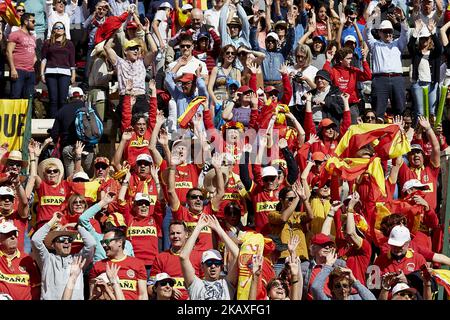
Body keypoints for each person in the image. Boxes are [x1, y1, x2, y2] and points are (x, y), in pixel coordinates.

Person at [31, 211, 95, 300]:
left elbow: (91, 244)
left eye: (69, 239)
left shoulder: (78, 259)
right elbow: (35, 240)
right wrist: (52, 221)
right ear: (53, 245)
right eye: (61, 239)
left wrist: (78, 227)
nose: (66, 242)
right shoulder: (47, 259)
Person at [180, 214, 239, 300]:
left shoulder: (227, 284)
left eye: (217, 263)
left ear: (221, 266)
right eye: (209, 263)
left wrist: (218, 228)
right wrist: (199, 227)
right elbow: (183, 256)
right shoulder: (196, 284)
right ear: (202, 266)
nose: (213, 266)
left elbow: (236, 254)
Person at [365, 9, 408, 119]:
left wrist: (402, 19)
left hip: (397, 78)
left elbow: (405, 32)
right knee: (378, 111)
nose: (388, 34)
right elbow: (366, 32)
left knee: (400, 109)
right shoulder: (375, 45)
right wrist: (372, 18)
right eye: (385, 31)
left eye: (390, 31)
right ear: (379, 32)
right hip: (380, 79)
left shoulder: (398, 43)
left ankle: (399, 133)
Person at [89, 228, 148, 300]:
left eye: (107, 242)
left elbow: (143, 295)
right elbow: (92, 296)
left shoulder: (137, 264)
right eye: (102, 242)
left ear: (120, 242)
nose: (104, 245)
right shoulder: (97, 266)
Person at [149, 220, 203, 300]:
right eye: (172, 233)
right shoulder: (161, 257)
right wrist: (168, 290)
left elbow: (206, 285)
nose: (175, 236)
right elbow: (150, 288)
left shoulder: (198, 256)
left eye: (178, 233)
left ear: (186, 235)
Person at [49, 88, 95, 176]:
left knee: (71, 180)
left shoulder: (62, 110)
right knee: (88, 180)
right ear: (82, 97)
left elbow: (54, 133)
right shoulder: (90, 108)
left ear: (69, 98)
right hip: (87, 147)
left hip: (69, 148)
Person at [408, 19, 442, 121]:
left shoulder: (434, 53)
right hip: (418, 83)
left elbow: (439, 47)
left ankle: (431, 133)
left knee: (432, 112)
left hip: (431, 84)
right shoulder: (416, 53)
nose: (424, 41)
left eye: (427, 38)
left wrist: (433, 32)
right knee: (420, 112)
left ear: (430, 39)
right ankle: (419, 135)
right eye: (422, 38)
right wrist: (416, 31)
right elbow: (410, 45)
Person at [40, 21, 76, 118]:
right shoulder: (48, 43)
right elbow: (44, 59)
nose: (59, 29)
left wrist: (73, 74)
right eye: (56, 27)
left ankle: (63, 122)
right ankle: (53, 122)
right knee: (53, 99)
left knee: (63, 99)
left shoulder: (69, 44)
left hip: (65, 73)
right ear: (53, 30)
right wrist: (42, 74)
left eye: (61, 28)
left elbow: (72, 60)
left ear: (64, 31)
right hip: (50, 72)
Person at [311, 248, 376, 300]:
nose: (342, 289)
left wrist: (355, 281)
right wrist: (328, 266)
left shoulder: (357, 298)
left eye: (345, 285)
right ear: (332, 289)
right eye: (337, 286)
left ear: (350, 288)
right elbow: (315, 287)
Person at [0, 220, 40, 300]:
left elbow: (37, 287)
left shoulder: (27, 259)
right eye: (8, 234)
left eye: (15, 234)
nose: (13, 237)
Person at [6, 13, 36, 99]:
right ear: (26, 22)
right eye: (33, 21)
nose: (35, 23)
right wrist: (12, 69)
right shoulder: (15, 34)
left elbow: (33, 54)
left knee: (29, 99)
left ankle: (26, 113)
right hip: (18, 70)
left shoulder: (33, 37)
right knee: (15, 97)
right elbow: (8, 51)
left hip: (31, 72)